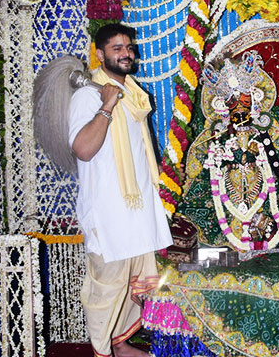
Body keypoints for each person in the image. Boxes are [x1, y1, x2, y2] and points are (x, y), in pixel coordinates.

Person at [68, 23, 172, 357]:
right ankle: (101, 351)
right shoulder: (89, 95)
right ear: (99, 54)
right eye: (117, 48)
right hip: (109, 213)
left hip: (138, 211)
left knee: (135, 288)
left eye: (128, 47)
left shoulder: (136, 94)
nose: (126, 53)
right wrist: (106, 106)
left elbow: (141, 151)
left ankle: (121, 344)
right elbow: (83, 148)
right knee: (107, 288)